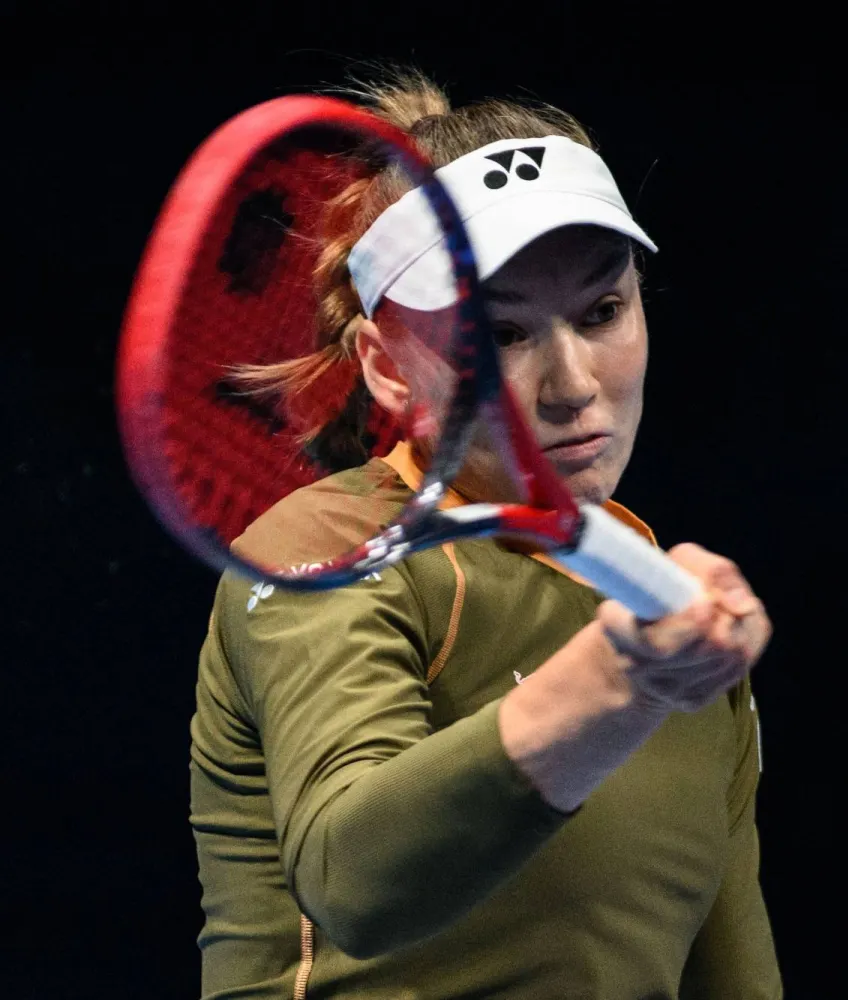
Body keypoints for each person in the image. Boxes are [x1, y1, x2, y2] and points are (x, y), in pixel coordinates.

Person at [188, 68, 780, 999]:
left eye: (602, 312)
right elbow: (356, 880)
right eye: (501, 334)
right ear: (387, 369)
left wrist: (656, 664)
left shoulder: (680, 632)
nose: (573, 382)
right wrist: (621, 678)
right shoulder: (330, 546)